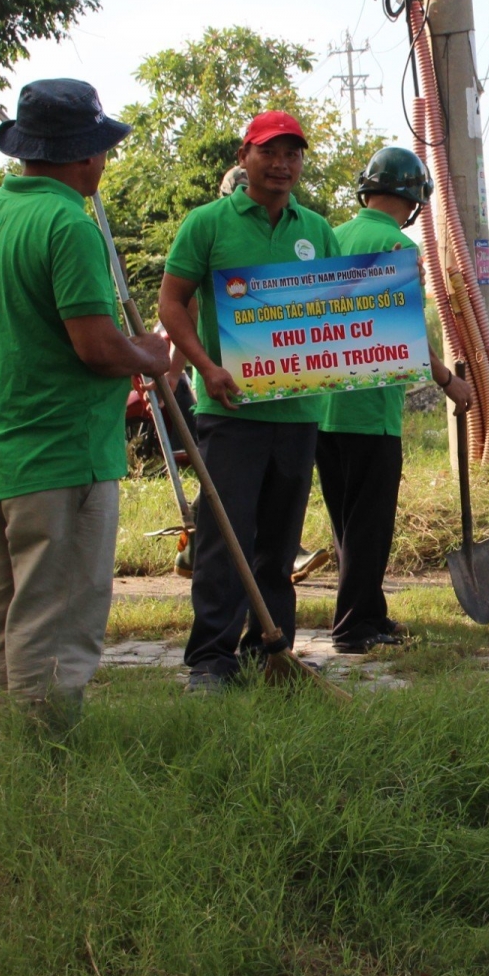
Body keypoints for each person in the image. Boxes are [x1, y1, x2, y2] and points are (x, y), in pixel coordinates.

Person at [0, 79, 170, 724]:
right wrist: (151, 356)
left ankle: (16, 734)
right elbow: (95, 345)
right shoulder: (69, 223)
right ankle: (46, 747)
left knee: (10, 607)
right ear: (81, 153)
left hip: (6, 447)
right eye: (100, 149)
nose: (103, 161)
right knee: (59, 610)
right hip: (67, 452)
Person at [159, 111, 341, 690]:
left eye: (293, 154)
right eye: (270, 152)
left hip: (299, 416)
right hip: (229, 416)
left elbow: (342, 308)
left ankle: (271, 652)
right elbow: (170, 303)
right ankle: (210, 660)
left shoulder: (316, 227)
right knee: (222, 541)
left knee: (280, 547)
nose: (283, 165)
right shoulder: (207, 224)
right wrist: (206, 366)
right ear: (245, 156)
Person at [315, 147, 473, 653]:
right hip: (370, 412)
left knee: (346, 521)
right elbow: (403, 333)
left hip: (320, 408)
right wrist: (449, 381)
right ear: (414, 199)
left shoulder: (329, 237)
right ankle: (353, 628)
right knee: (371, 522)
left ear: (367, 189)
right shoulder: (398, 247)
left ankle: (370, 612)